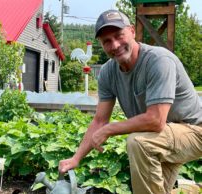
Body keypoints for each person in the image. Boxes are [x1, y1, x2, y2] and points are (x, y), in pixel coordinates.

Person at [58, 9, 202, 194]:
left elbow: (156, 120)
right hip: (163, 137)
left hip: (194, 131)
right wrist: (76, 158)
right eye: (107, 41)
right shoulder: (108, 72)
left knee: (138, 142)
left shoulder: (158, 60)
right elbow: (100, 121)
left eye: (119, 35)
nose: (115, 45)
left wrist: (110, 129)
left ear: (132, 31)